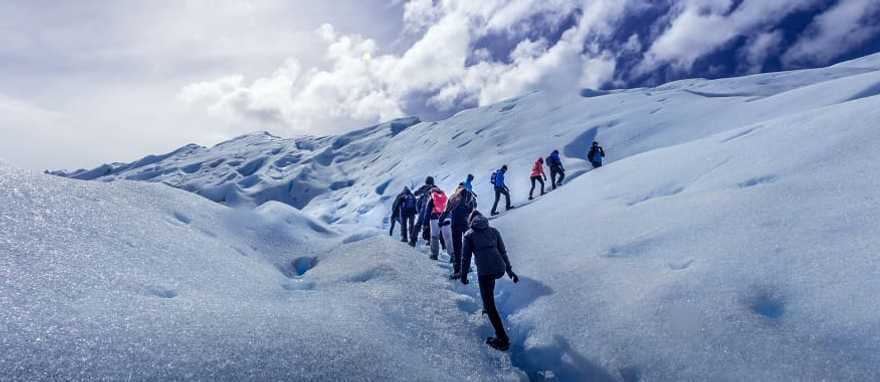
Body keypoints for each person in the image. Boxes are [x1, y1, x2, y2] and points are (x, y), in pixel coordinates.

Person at [460, 210, 519, 351]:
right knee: (488, 291)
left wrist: (463, 275)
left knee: (490, 304)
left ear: (471, 222)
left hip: (485, 271)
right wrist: (509, 271)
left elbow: (466, 258)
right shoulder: (493, 230)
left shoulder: (469, 235)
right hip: (499, 268)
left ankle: (502, 339)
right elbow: (503, 251)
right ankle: (487, 308)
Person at [445, 183, 476, 279]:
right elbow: (473, 209)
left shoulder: (453, 197)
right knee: (468, 245)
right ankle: (468, 267)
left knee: (457, 247)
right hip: (466, 223)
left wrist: (441, 220)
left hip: (455, 224)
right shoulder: (470, 195)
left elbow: (446, 211)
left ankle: (458, 270)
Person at [426, 187, 454, 261]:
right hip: (447, 217)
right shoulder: (444, 196)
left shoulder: (432, 197)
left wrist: (425, 223)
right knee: (448, 237)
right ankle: (453, 255)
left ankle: (434, 254)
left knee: (435, 236)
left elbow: (428, 211)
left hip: (435, 217)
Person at [410, 177, 436, 247]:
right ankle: (429, 241)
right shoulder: (436, 188)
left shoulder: (425, 187)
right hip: (434, 211)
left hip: (425, 209)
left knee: (418, 224)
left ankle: (413, 240)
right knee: (431, 225)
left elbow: (416, 193)